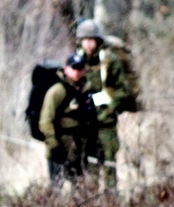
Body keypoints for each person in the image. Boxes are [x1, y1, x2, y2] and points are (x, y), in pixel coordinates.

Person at [75, 19, 131, 192]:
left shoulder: (110, 61)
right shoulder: (77, 61)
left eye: (92, 39)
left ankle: (111, 204)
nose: (88, 43)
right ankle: (91, 206)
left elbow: (123, 90)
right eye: (85, 39)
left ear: (98, 40)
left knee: (108, 163)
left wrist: (110, 106)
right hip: (86, 123)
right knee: (89, 164)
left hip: (106, 123)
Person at [38, 53, 93, 190]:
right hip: (59, 148)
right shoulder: (57, 91)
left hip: (79, 150)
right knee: (57, 188)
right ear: (66, 69)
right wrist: (54, 145)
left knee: (79, 189)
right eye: (74, 68)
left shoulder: (87, 91)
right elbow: (45, 121)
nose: (77, 72)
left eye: (80, 68)